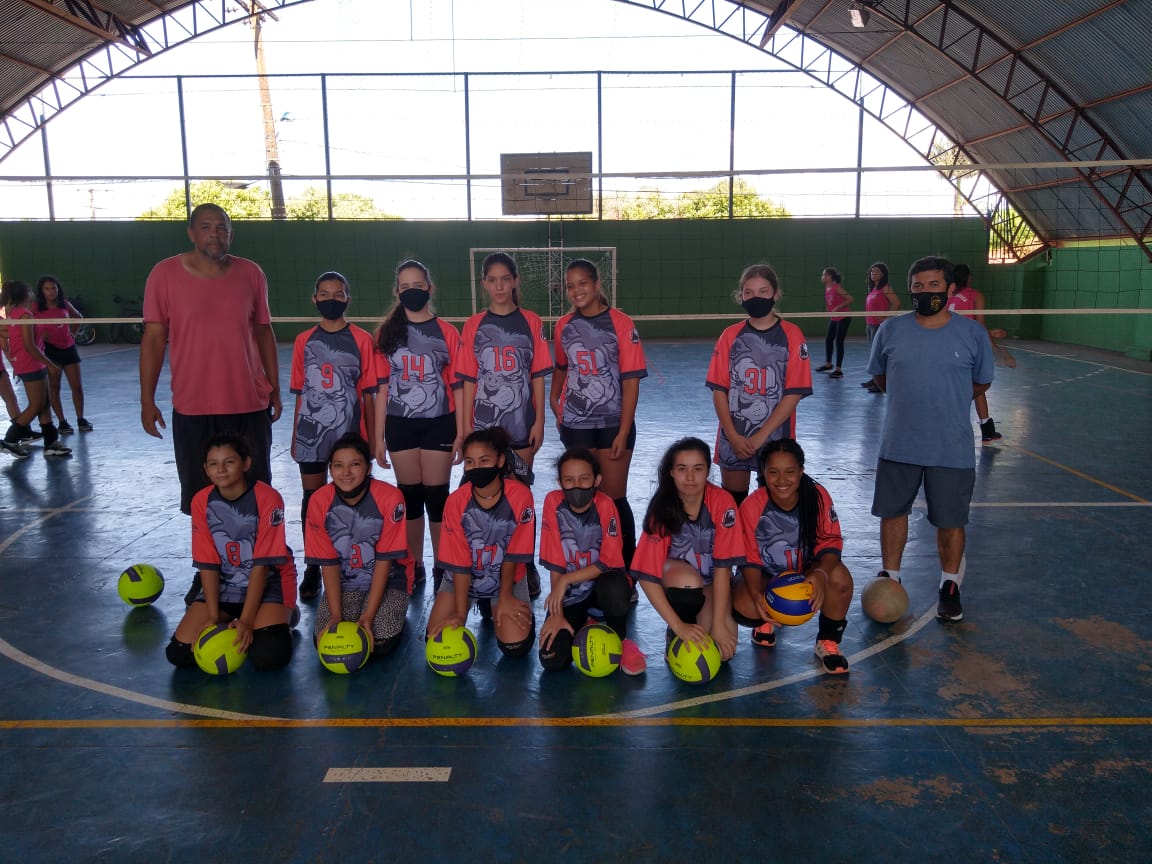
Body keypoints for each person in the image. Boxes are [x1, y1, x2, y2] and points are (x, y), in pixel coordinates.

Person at [866, 256, 994, 623]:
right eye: (918, 286)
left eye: (934, 286)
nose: (925, 293)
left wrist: (948, 401)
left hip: (950, 445)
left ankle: (950, 585)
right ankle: (890, 576)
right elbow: (879, 376)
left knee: (950, 520)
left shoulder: (972, 335)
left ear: (950, 290)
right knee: (892, 513)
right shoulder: (892, 331)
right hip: (899, 442)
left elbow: (982, 382)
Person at [140, 202, 282, 516]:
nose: (214, 234)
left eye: (221, 228)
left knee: (256, 494)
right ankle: (209, 565)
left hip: (248, 403)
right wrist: (146, 399)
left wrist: (274, 387)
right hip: (194, 407)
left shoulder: (251, 273)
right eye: (206, 227)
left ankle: (260, 563)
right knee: (201, 498)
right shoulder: (164, 275)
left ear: (231, 234)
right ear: (191, 233)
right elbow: (153, 339)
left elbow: (263, 331)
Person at [457, 251, 551, 597]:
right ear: (484, 284)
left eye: (505, 279)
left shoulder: (532, 321)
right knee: (484, 495)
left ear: (515, 281)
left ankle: (524, 566)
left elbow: (538, 376)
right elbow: (468, 379)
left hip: (520, 425)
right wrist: (465, 429)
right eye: (492, 280)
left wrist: (540, 420)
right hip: (483, 427)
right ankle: (487, 565)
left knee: (520, 496)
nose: (499, 286)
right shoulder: (473, 324)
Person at [165, 433, 297, 671]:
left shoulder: (268, 498)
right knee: (180, 654)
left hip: (270, 581)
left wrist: (246, 621)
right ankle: (231, 617)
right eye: (213, 464)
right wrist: (213, 618)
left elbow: (262, 565)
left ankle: (284, 614)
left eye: (229, 462)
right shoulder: (201, 501)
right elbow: (208, 563)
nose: (221, 470)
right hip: (227, 583)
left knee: (269, 657)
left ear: (246, 464)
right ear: (205, 469)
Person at [374, 259, 465, 593]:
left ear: (430, 288)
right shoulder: (387, 333)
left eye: (418, 285)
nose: (412, 291)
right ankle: (415, 564)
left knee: (437, 498)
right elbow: (382, 389)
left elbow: (457, 386)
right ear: (397, 291)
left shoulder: (447, 332)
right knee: (410, 498)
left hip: (439, 423)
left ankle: (444, 565)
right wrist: (379, 436)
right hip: (400, 425)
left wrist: (461, 432)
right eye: (405, 287)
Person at [550, 258, 647, 569]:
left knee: (614, 499)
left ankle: (624, 569)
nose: (576, 291)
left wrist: (623, 429)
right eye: (570, 286)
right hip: (576, 423)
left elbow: (630, 381)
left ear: (596, 284)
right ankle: (587, 564)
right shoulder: (564, 326)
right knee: (584, 498)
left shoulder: (621, 323)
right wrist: (554, 398)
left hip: (611, 423)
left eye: (582, 283)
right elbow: (562, 366)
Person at [290, 270, 379, 602]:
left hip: (348, 433)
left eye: (337, 293)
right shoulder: (304, 341)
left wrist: (370, 438)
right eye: (324, 294)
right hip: (311, 433)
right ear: (314, 299)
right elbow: (300, 391)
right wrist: (295, 435)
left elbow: (368, 393)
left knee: (351, 498)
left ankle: (353, 564)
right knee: (312, 500)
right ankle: (314, 565)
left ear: (347, 299)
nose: (331, 299)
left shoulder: (361, 340)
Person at [733, 439, 853, 675]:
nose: (782, 480)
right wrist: (758, 594)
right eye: (773, 472)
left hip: (806, 571)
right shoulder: (752, 506)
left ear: (801, 471)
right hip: (768, 574)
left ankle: (827, 642)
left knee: (839, 578)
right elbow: (749, 556)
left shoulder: (816, 496)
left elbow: (830, 542)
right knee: (745, 605)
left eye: (790, 472)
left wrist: (819, 574)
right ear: (764, 473)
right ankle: (764, 623)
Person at [706, 263, 812, 506]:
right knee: (733, 505)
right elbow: (719, 390)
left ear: (775, 294)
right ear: (740, 296)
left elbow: (793, 394)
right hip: (734, 437)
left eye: (763, 291)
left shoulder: (792, 335)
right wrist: (733, 436)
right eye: (748, 292)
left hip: (775, 438)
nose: (756, 297)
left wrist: (761, 437)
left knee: (774, 504)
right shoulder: (730, 336)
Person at [427, 426, 536, 659]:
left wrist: (505, 595)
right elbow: (459, 562)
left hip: (505, 576)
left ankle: (493, 602)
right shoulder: (456, 502)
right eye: (469, 462)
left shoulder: (520, 496)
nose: (476, 468)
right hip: (462, 578)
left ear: (500, 461)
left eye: (484, 460)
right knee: (435, 639)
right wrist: (459, 611)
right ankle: (478, 602)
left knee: (515, 647)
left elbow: (513, 553)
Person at [631, 437, 743, 662]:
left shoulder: (722, 502)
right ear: (672, 472)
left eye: (697, 469)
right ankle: (676, 629)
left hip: (713, 582)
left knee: (721, 653)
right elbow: (646, 576)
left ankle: (701, 623)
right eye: (682, 469)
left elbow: (723, 568)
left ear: (707, 471)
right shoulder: (663, 508)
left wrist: (720, 625)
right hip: (680, 580)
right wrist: (679, 626)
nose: (690, 478)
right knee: (687, 582)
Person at [537, 447, 646, 675]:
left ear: (597, 480)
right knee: (553, 659)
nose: (577, 486)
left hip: (601, 585)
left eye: (584, 479)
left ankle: (620, 640)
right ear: (560, 482)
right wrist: (556, 614)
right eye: (569, 480)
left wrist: (567, 579)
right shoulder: (552, 503)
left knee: (616, 587)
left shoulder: (606, 505)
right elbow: (555, 558)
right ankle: (586, 622)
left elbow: (608, 561)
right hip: (572, 592)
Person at [306, 433, 412, 658]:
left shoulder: (390, 497)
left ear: (368, 468)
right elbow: (328, 563)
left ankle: (392, 615)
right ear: (330, 469)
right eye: (338, 466)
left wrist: (369, 615)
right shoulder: (319, 501)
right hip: (345, 585)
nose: (345, 473)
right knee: (327, 642)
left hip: (389, 581)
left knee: (379, 641)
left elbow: (385, 560)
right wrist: (335, 615)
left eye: (354, 464)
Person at [0, 280, 71, 458]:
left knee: (44, 404)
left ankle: (50, 442)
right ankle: (9, 440)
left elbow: (13, 336)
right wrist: (51, 364)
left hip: (30, 363)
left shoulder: (15, 314)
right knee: (36, 405)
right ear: (25, 295)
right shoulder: (24, 315)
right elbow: (30, 345)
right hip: (31, 363)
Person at [948, 264, 1004, 443]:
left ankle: (987, 429)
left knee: (966, 386)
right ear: (969, 277)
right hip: (968, 347)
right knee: (978, 386)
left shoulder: (947, 296)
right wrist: (997, 346)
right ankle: (983, 430)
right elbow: (979, 325)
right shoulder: (975, 295)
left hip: (947, 344)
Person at [33, 275, 91, 433]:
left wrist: (72, 334)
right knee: (54, 388)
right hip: (50, 351)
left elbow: (78, 317)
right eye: (47, 289)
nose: (51, 292)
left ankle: (81, 418)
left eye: (54, 288)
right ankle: (62, 421)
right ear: (41, 291)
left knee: (77, 387)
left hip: (68, 349)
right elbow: (27, 327)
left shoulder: (64, 303)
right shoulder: (35, 307)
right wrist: (39, 338)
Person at [861, 262, 900, 393]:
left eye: (877, 272)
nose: (873, 274)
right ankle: (874, 379)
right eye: (872, 272)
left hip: (879, 326)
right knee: (873, 354)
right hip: (870, 324)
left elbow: (896, 303)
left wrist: (886, 318)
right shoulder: (872, 288)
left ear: (883, 274)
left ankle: (881, 382)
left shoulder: (885, 287)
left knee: (878, 355)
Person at [815, 267, 852, 379]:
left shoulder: (836, 287)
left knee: (839, 341)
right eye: (823, 275)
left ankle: (838, 370)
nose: (823, 277)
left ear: (831, 276)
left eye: (825, 275)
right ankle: (828, 364)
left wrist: (838, 307)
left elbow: (850, 299)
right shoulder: (827, 287)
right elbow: (830, 301)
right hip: (834, 317)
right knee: (829, 339)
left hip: (844, 317)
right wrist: (830, 309)